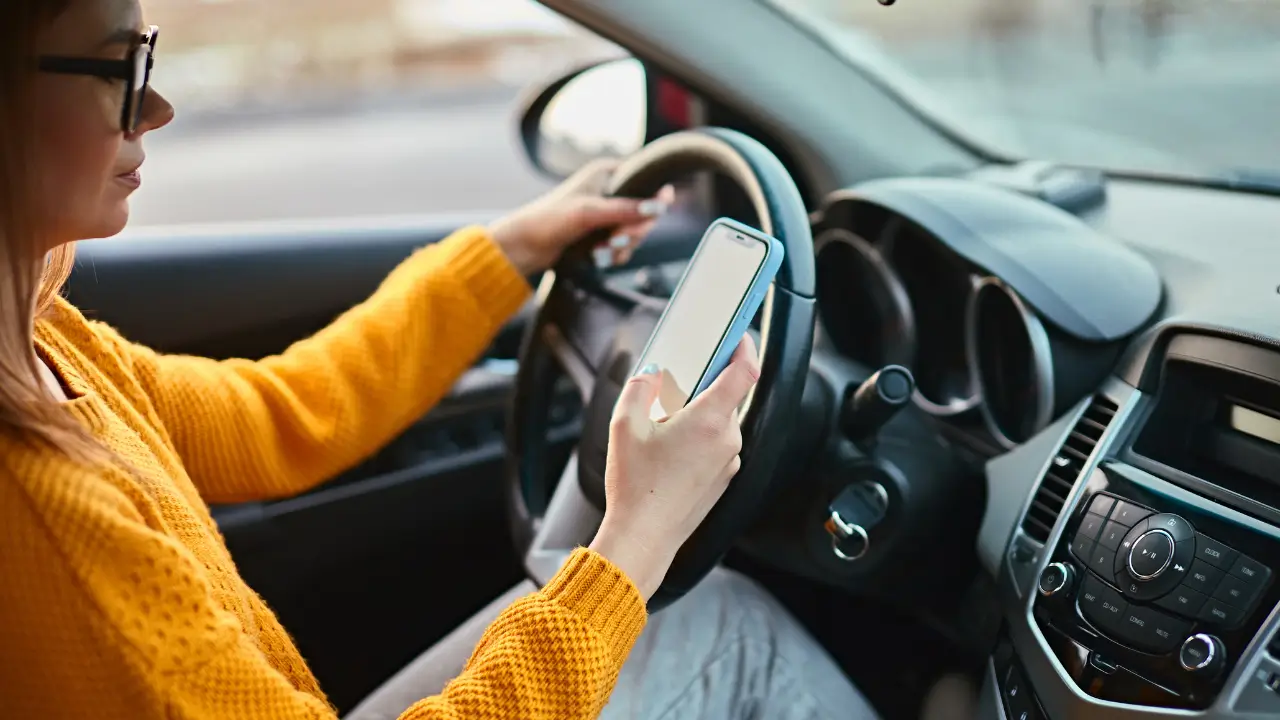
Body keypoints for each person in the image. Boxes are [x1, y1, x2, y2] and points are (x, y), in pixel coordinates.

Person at [0, 0, 879, 718]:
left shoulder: (44, 341)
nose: (155, 109)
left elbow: (283, 412)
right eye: (121, 70)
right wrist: (638, 534)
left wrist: (511, 249)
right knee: (731, 634)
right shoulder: (50, 521)